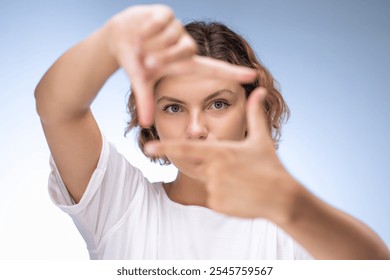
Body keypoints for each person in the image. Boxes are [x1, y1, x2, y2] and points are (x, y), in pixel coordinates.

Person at [35, 4, 389, 259]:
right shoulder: (120, 206)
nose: (195, 129)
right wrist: (112, 39)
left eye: (218, 104)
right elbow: (56, 107)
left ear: (252, 111)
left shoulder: (287, 225)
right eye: (174, 107)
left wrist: (291, 206)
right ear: (151, 118)